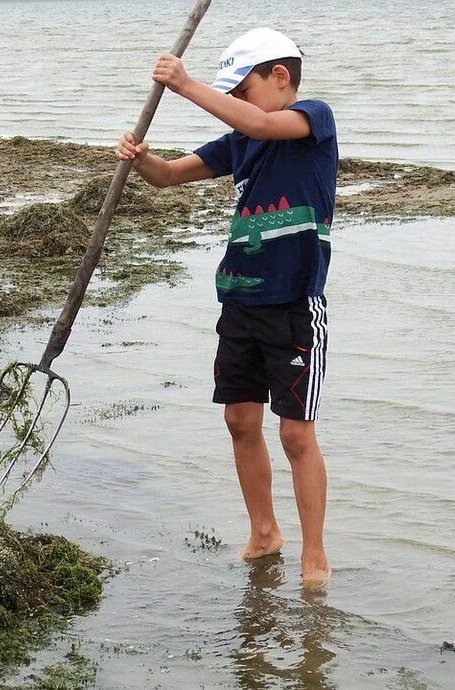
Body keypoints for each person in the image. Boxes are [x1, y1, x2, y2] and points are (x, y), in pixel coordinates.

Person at [116, 27, 337, 589]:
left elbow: (262, 122)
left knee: (295, 435)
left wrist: (186, 84)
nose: (236, 103)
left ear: (280, 78)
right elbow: (168, 177)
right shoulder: (238, 140)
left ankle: (314, 553)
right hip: (238, 297)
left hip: (292, 303)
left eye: (241, 89)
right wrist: (142, 159)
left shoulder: (311, 119)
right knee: (240, 421)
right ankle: (264, 533)